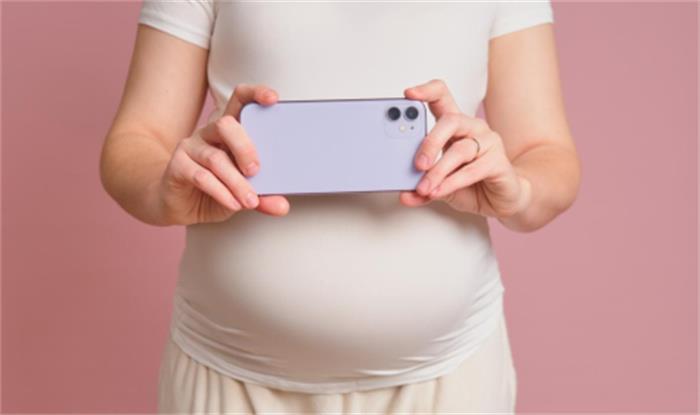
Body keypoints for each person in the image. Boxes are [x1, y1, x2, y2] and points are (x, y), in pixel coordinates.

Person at [100, 0, 580, 413]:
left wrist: (519, 190)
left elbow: (547, 154)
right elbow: (137, 140)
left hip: (448, 377)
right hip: (229, 373)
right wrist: (163, 192)